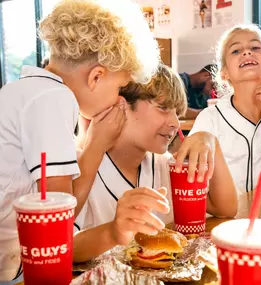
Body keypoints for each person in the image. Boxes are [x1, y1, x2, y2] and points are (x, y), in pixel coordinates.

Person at [0, 0, 160, 281]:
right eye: (119, 87)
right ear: (96, 76)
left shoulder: (24, 90)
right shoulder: (53, 98)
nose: (119, 97)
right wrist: (97, 145)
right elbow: (57, 217)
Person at [73, 64, 237, 262]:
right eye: (163, 108)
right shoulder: (81, 164)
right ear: (122, 105)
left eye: (176, 112)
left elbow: (225, 209)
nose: (175, 123)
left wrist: (211, 142)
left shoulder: (161, 162)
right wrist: (114, 230)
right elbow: (65, 247)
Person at [190, 24, 261, 194]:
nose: (247, 52)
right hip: (226, 217)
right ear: (224, 73)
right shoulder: (210, 118)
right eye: (235, 51)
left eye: (255, 47)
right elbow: (195, 181)